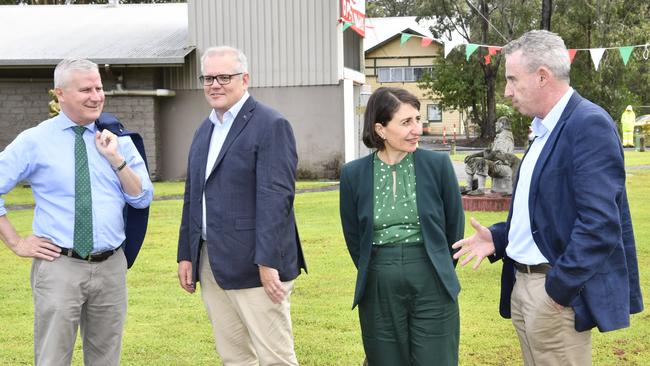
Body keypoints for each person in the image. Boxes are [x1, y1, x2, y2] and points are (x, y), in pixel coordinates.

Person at [452, 30, 643, 366]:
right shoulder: (544, 129)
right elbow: (546, 208)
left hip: (552, 293)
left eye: (513, 79)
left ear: (543, 76)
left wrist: (558, 290)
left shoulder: (588, 125)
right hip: (524, 285)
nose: (507, 90)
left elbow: (599, 224)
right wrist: (499, 237)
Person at [0, 58, 153, 365]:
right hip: (59, 266)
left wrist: (116, 160)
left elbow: (142, 198)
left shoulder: (117, 137)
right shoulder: (34, 141)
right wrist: (16, 242)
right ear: (60, 94)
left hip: (111, 265)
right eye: (86, 89)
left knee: (106, 358)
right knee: (53, 357)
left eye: (99, 87)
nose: (96, 96)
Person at [176, 46, 306, 365]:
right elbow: (193, 197)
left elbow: (277, 199)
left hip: (257, 265)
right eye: (208, 78)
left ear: (245, 79)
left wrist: (267, 260)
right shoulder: (205, 129)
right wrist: (186, 254)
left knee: (275, 358)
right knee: (233, 358)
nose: (215, 84)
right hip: (211, 262)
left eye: (224, 76)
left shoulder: (270, 124)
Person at [339, 87, 464, 366]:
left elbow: (453, 228)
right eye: (406, 122)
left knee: (437, 359)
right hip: (378, 282)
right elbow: (354, 236)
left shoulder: (438, 165)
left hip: (432, 277)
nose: (417, 129)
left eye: (418, 119)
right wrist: (379, 268)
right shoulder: (353, 174)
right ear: (380, 129)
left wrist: (437, 266)